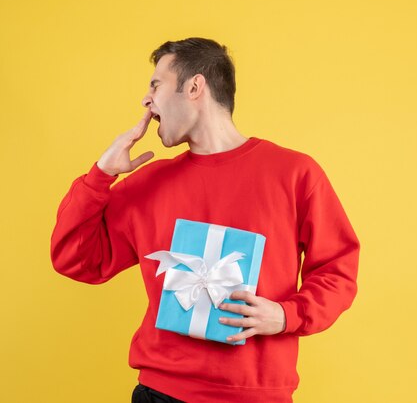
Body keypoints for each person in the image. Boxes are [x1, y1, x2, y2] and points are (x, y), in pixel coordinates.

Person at [50, 37, 360, 403]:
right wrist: (100, 175)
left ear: (195, 87)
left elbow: (338, 269)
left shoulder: (294, 173)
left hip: (257, 395)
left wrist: (287, 315)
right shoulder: (147, 184)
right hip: (162, 392)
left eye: (155, 85)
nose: (146, 100)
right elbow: (76, 259)